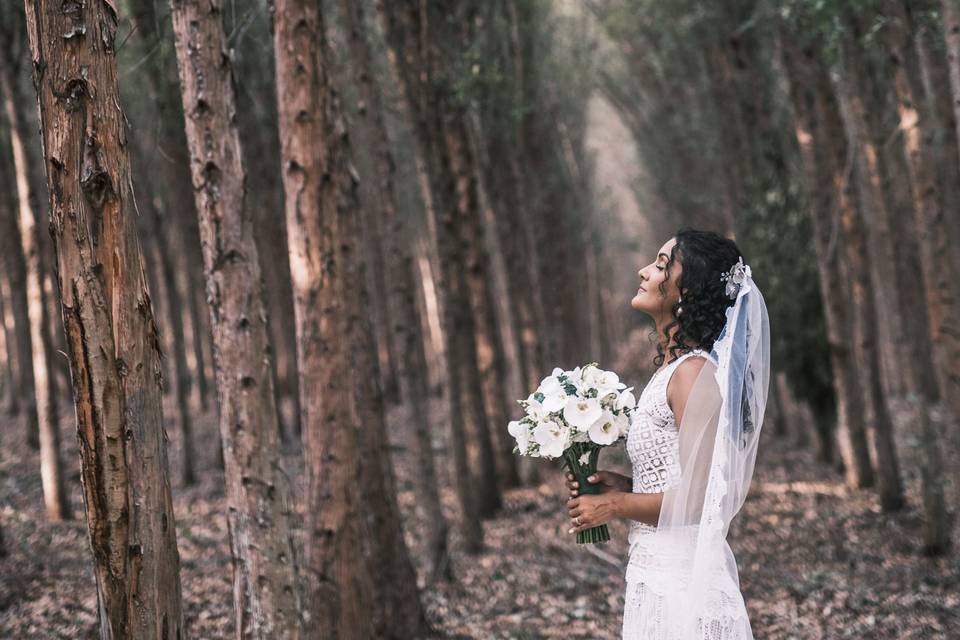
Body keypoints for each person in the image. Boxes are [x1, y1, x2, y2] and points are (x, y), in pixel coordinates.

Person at [565, 227, 770, 639]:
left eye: (660, 265)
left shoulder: (693, 375)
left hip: (685, 586)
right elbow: (677, 478)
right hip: (654, 572)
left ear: (688, 291)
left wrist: (616, 505)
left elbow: (697, 499)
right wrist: (623, 484)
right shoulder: (671, 372)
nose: (644, 271)